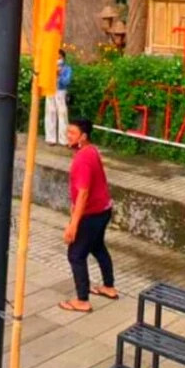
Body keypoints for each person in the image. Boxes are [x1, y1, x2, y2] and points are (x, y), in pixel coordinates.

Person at [60, 118, 116, 313]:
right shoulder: (91, 150)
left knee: (76, 255)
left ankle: (82, 300)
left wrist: (73, 225)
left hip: (91, 214)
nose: (68, 136)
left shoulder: (82, 159)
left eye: (72, 133)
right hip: (103, 209)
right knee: (97, 247)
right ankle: (109, 287)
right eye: (68, 132)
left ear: (83, 136)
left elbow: (83, 193)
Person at [45, 49, 72, 146]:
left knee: (62, 114)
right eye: (56, 57)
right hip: (50, 90)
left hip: (61, 91)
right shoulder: (49, 68)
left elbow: (67, 81)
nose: (58, 59)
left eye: (59, 57)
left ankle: (64, 139)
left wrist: (59, 75)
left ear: (63, 58)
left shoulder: (67, 69)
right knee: (50, 113)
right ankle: (51, 138)